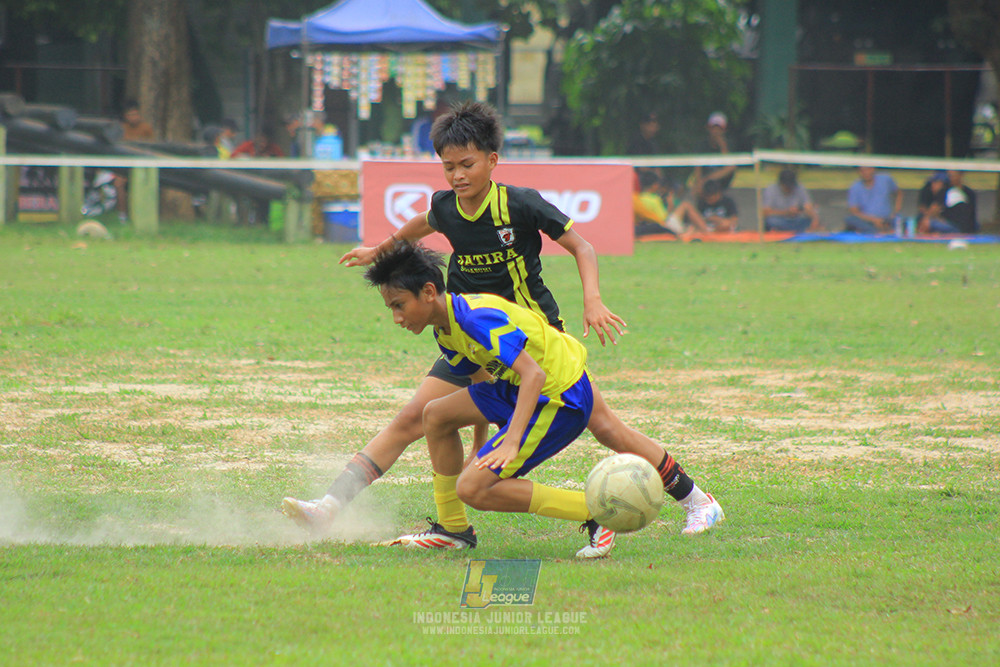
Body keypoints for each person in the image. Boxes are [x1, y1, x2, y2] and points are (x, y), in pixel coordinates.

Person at [281, 101, 724, 545]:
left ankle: (695, 500)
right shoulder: (447, 209)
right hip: (467, 332)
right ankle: (337, 507)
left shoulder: (520, 205)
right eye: (448, 166)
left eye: (467, 164)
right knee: (416, 418)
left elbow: (583, 247)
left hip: (532, 337)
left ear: (493, 160)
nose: (457, 175)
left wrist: (593, 300)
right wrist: (380, 250)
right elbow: (419, 224)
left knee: (605, 426)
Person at [365, 242, 664, 557]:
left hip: (556, 396)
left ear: (428, 292)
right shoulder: (445, 327)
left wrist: (510, 441)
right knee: (436, 414)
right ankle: (452, 531)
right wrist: (479, 444)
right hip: (519, 387)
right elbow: (478, 379)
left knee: (472, 489)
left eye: (399, 305)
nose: (397, 318)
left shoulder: (474, 319)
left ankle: (596, 513)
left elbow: (534, 375)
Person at [114, 99, 155, 222]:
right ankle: (122, 215)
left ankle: (142, 215)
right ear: (125, 117)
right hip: (125, 164)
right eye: (130, 115)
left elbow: (152, 146)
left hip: (142, 164)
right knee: (118, 184)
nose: (133, 117)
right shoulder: (121, 128)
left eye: (135, 114)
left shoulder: (146, 128)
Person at [917, 170, 978, 234]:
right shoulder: (953, 191)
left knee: (930, 222)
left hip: (958, 228)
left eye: (935, 182)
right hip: (959, 226)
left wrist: (926, 219)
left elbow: (934, 210)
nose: (932, 185)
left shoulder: (946, 191)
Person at [844, 166, 902, 234]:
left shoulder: (886, 179)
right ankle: (876, 231)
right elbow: (854, 211)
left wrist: (895, 211)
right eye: (862, 171)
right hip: (867, 220)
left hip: (887, 218)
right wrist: (873, 220)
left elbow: (898, 193)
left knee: (900, 219)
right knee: (850, 219)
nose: (866, 173)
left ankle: (879, 231)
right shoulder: (855, 187)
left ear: (873, 169)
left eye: (868, 170)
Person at [761, 169, 821, 233]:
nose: (789, 188)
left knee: (808, 219)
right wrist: (786, 212)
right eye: (786, 186)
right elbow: (765, 211)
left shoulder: (800, 188)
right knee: (771, 221)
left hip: (796, 219)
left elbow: (808, 206)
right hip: (779, 219)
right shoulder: (771, 189)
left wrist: (814, 218)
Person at [670, 180, 739, 233]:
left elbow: (734, 220)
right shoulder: (702, 202)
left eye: (710, 198)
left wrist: (717, 219)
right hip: (706, 227)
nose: (708, 200)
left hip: (722, 226)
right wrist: (708, 219)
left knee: (725, 224)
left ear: (718, 194)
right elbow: (698, 218)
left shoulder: (728, 201)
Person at [693, 112, 736, 196]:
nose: (716, 131)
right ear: (708, 129)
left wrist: (723, 146)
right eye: (713, 128)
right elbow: (697, 167)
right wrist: (699, 183)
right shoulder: (703, 145)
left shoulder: (729, 144)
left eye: (719, 129)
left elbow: (730, 167)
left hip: (722, 181)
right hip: (705, 180)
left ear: (724, 130)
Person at [633, 170, 685, 236]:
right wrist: (670, 205)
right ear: (654, 185)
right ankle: (700, 229)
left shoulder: (638, 198)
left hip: (646, 226)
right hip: (662, 226)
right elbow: (663, 218)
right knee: (685, 205)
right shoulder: (654, 199)